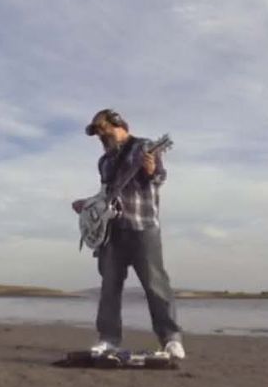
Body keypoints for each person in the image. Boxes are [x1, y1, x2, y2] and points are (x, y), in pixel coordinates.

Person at [71, 108, 185, 359]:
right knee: (109, 287)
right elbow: (106, 195)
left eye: (104, 130)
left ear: (119, 124)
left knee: (156, 285)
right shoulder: (104, 161)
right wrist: (87, 204)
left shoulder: (144, 147)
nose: (101, 137)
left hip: (143, 226)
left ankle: (170, 339)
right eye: (97, 134)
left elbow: (159, 178)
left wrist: (151, 169)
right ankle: (108, 339)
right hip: (112, 232)